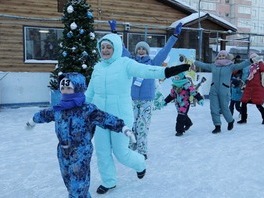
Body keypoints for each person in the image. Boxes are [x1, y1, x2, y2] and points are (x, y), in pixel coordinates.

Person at [85, 33, 190, 194]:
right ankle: (109, 181)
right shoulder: (98, 68)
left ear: (116, 48)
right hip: (99, 117)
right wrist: (79, 109)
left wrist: (168, 71)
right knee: (102, 152)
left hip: (120, 117)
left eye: (109, 47)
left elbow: (147, 70)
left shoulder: (125, 64)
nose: (105, 50)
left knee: (121, 153)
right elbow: (90, 93)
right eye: (103, 47)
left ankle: (140, 163)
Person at [25, 73, 136, 198]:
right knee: (68, 181)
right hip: (62, 150)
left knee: (78, 185)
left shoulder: (87, 110)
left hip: (81, 150)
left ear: (77, 88)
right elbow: (44, 114)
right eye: (63, 88)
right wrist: (32, 121)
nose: (65, 92)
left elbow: (105, 118)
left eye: (69, 88)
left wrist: (123, 127)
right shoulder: (59, 108)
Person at [193, 50, 252, 133]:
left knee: (224, 108)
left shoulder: (231, 66)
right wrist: (194, 62)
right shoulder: (213, 66)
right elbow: (204, 65)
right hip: (214, 90)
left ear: (226, 57)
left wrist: (250, 61)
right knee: (214, 109)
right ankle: (217, 126)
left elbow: (241, 65)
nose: (221, 57)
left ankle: (230, 121)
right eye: (220, 56)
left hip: (224, 90)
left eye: (223, 56)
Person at [163, 72, 204, 136]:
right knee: (183, 115)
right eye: (175, 77)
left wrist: (200, 99)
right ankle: (188, 123)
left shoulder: (187, 86)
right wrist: (165, 101)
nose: (176, 79)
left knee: (180, 116)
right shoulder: (174, 86)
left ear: (181, 78)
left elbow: (194, 93)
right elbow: (171, 95)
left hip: (185, 104)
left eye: (177, 77)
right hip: (178, 104)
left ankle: (179, 131)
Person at [237, 53, 264, 124]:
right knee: (243, 102)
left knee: (258, 104)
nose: (254, 59)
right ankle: (243, 119)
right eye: (252, 58)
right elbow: (246, 76)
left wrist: (260, 61)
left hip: (257, 87)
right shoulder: (251, 67)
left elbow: (263, 69)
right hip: (249, 87)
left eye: (255, 57)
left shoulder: (260, 65)